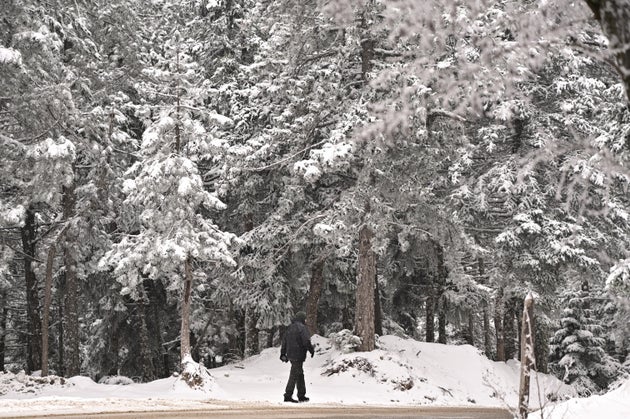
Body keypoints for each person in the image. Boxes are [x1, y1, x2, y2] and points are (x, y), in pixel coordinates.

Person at [280, 311, 315, 403]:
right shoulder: (302, 328)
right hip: (299, 354)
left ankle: (301, 395)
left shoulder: (289, 328)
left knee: (299, 373)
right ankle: (288, 395)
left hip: (290, 354)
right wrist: (311, 350)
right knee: (294, 374)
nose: (306, 320)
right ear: (302, 319)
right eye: (305, 319)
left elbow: (284, 341)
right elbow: (306, 341)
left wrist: (283, 353)